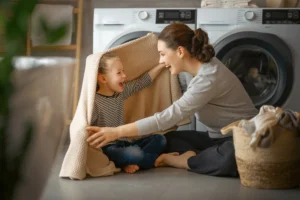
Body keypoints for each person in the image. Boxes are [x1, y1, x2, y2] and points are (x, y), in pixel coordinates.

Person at [86, 23, 258, 177]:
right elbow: (150, 84)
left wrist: (116, 132)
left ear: (180, 52)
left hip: (241, 138)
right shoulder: (193, 67)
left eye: (162, 54)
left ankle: (185, 161)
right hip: (215, 137)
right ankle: (204, 155)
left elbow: (168, 117)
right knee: (169, 139)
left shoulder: (208, 77)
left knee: (229, 158)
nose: (161, 60)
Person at [88, 52, 167, 173]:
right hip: (109, 147)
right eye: (119, 72)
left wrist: (162, 64)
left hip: (125, 142)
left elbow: (142, 82)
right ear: (103, 78)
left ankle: (130, 162)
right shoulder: (94, 102)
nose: (124, 75)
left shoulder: (120, 93)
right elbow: (87, 130)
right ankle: (157, 160)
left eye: (123, 71)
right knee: (134, 153)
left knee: (160, 139)